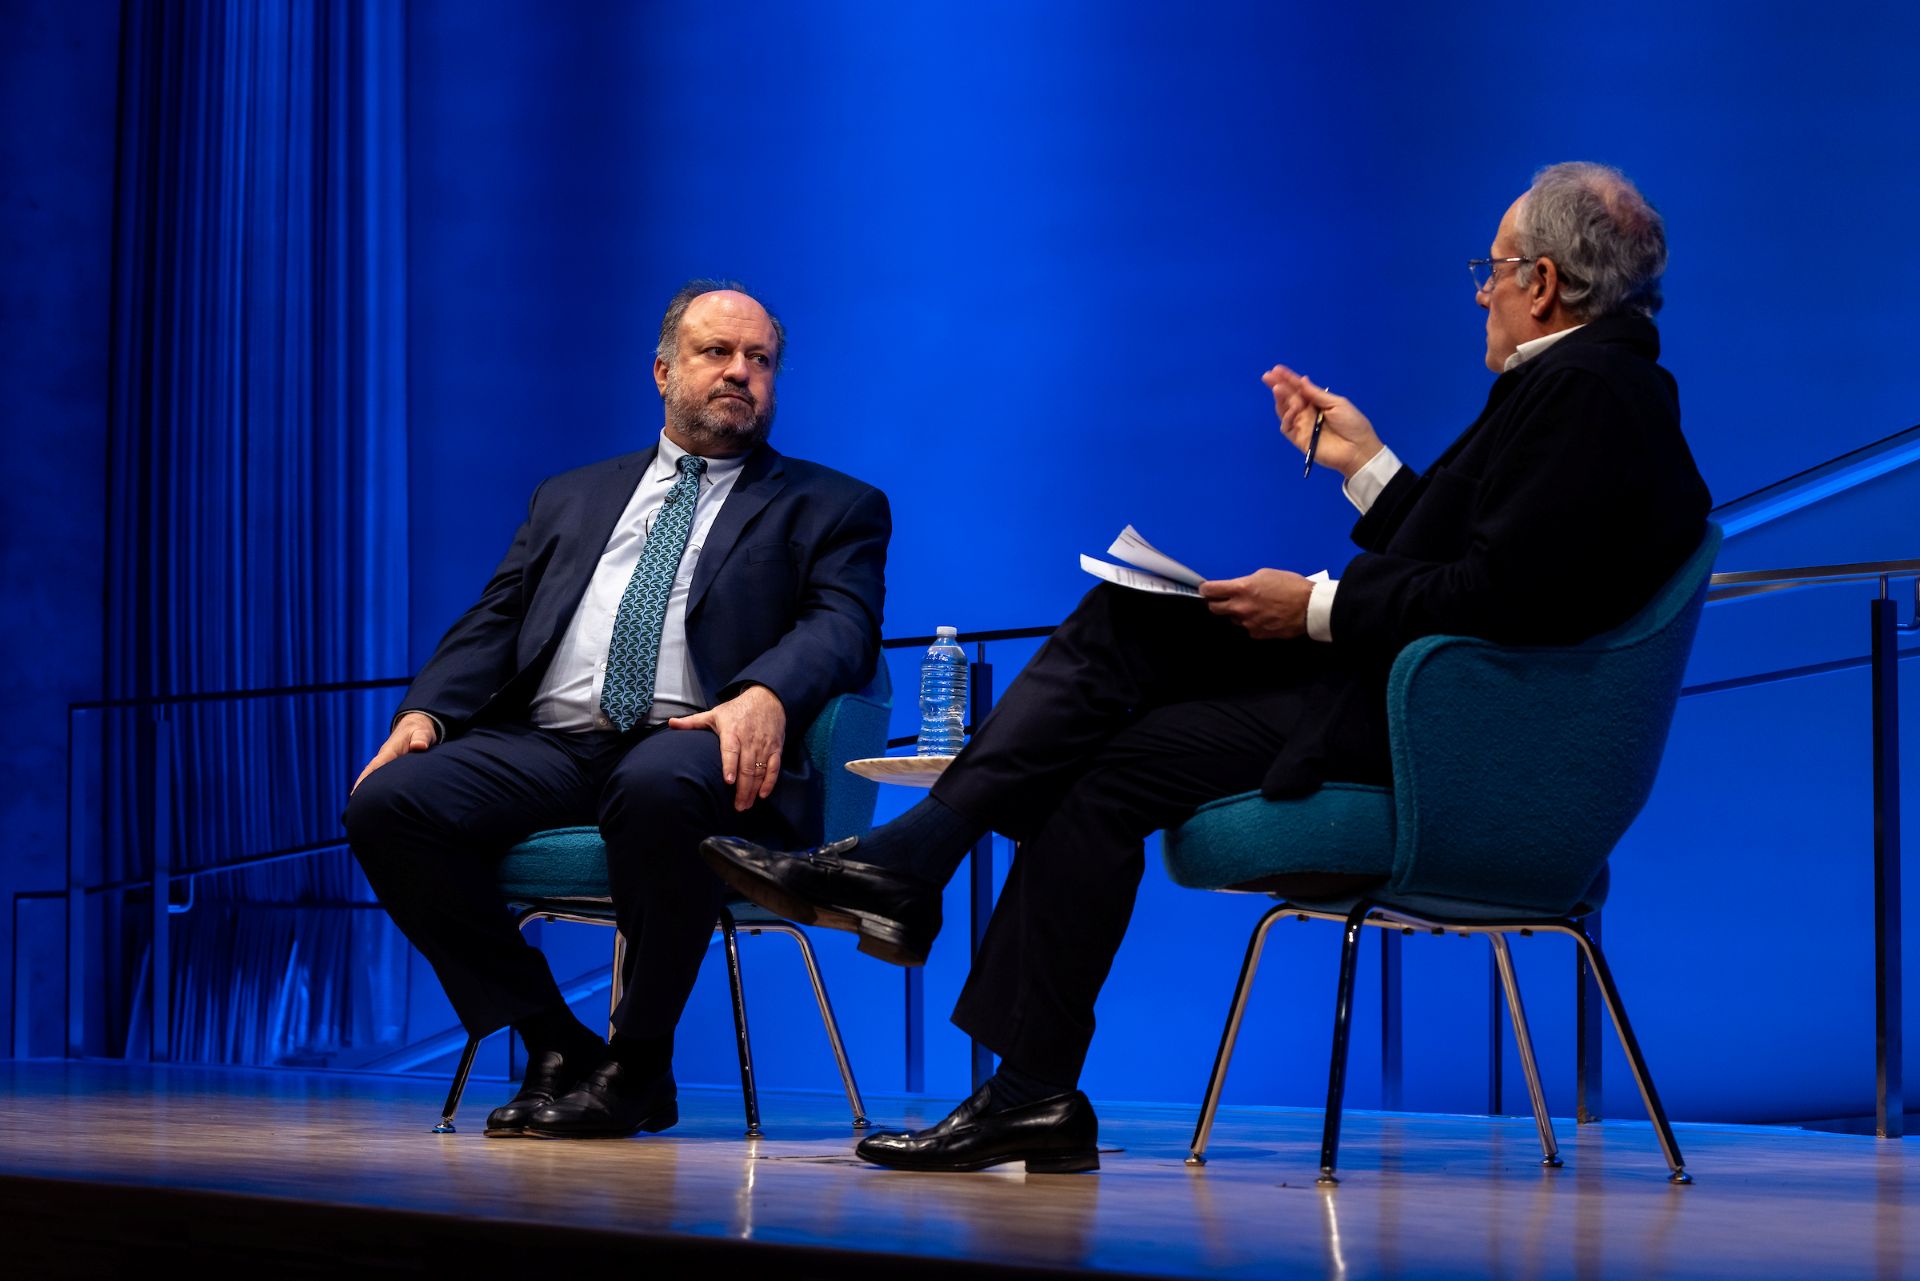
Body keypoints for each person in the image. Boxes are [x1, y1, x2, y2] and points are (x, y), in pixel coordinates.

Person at [701, 163, 1711, 1173]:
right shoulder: (1589, 385)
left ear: (1541, 280)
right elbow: (1480, 563)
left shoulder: (1589, 392)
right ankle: (1025, 1081)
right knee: (1108, 740)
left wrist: (1311, 607)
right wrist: (1362, 466)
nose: (1480, 291)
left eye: (1491, 270)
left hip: (1440, 741)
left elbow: (1498, 597)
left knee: (1118, 633)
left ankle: (918, 879)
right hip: (1418, 709)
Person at [344, 281, 889, 1139]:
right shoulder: (573, 494)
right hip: (552, 744)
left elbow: (844, 625)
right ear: (664, 371)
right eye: (718, 353)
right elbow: (497, 617)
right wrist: (429, 714)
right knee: (387, 803)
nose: (740, 373)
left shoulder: (832, 504)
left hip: (694, 740)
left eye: (760, 360)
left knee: (657, 785)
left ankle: (638, 1061)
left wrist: (765, 691)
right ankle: (553, 1040)